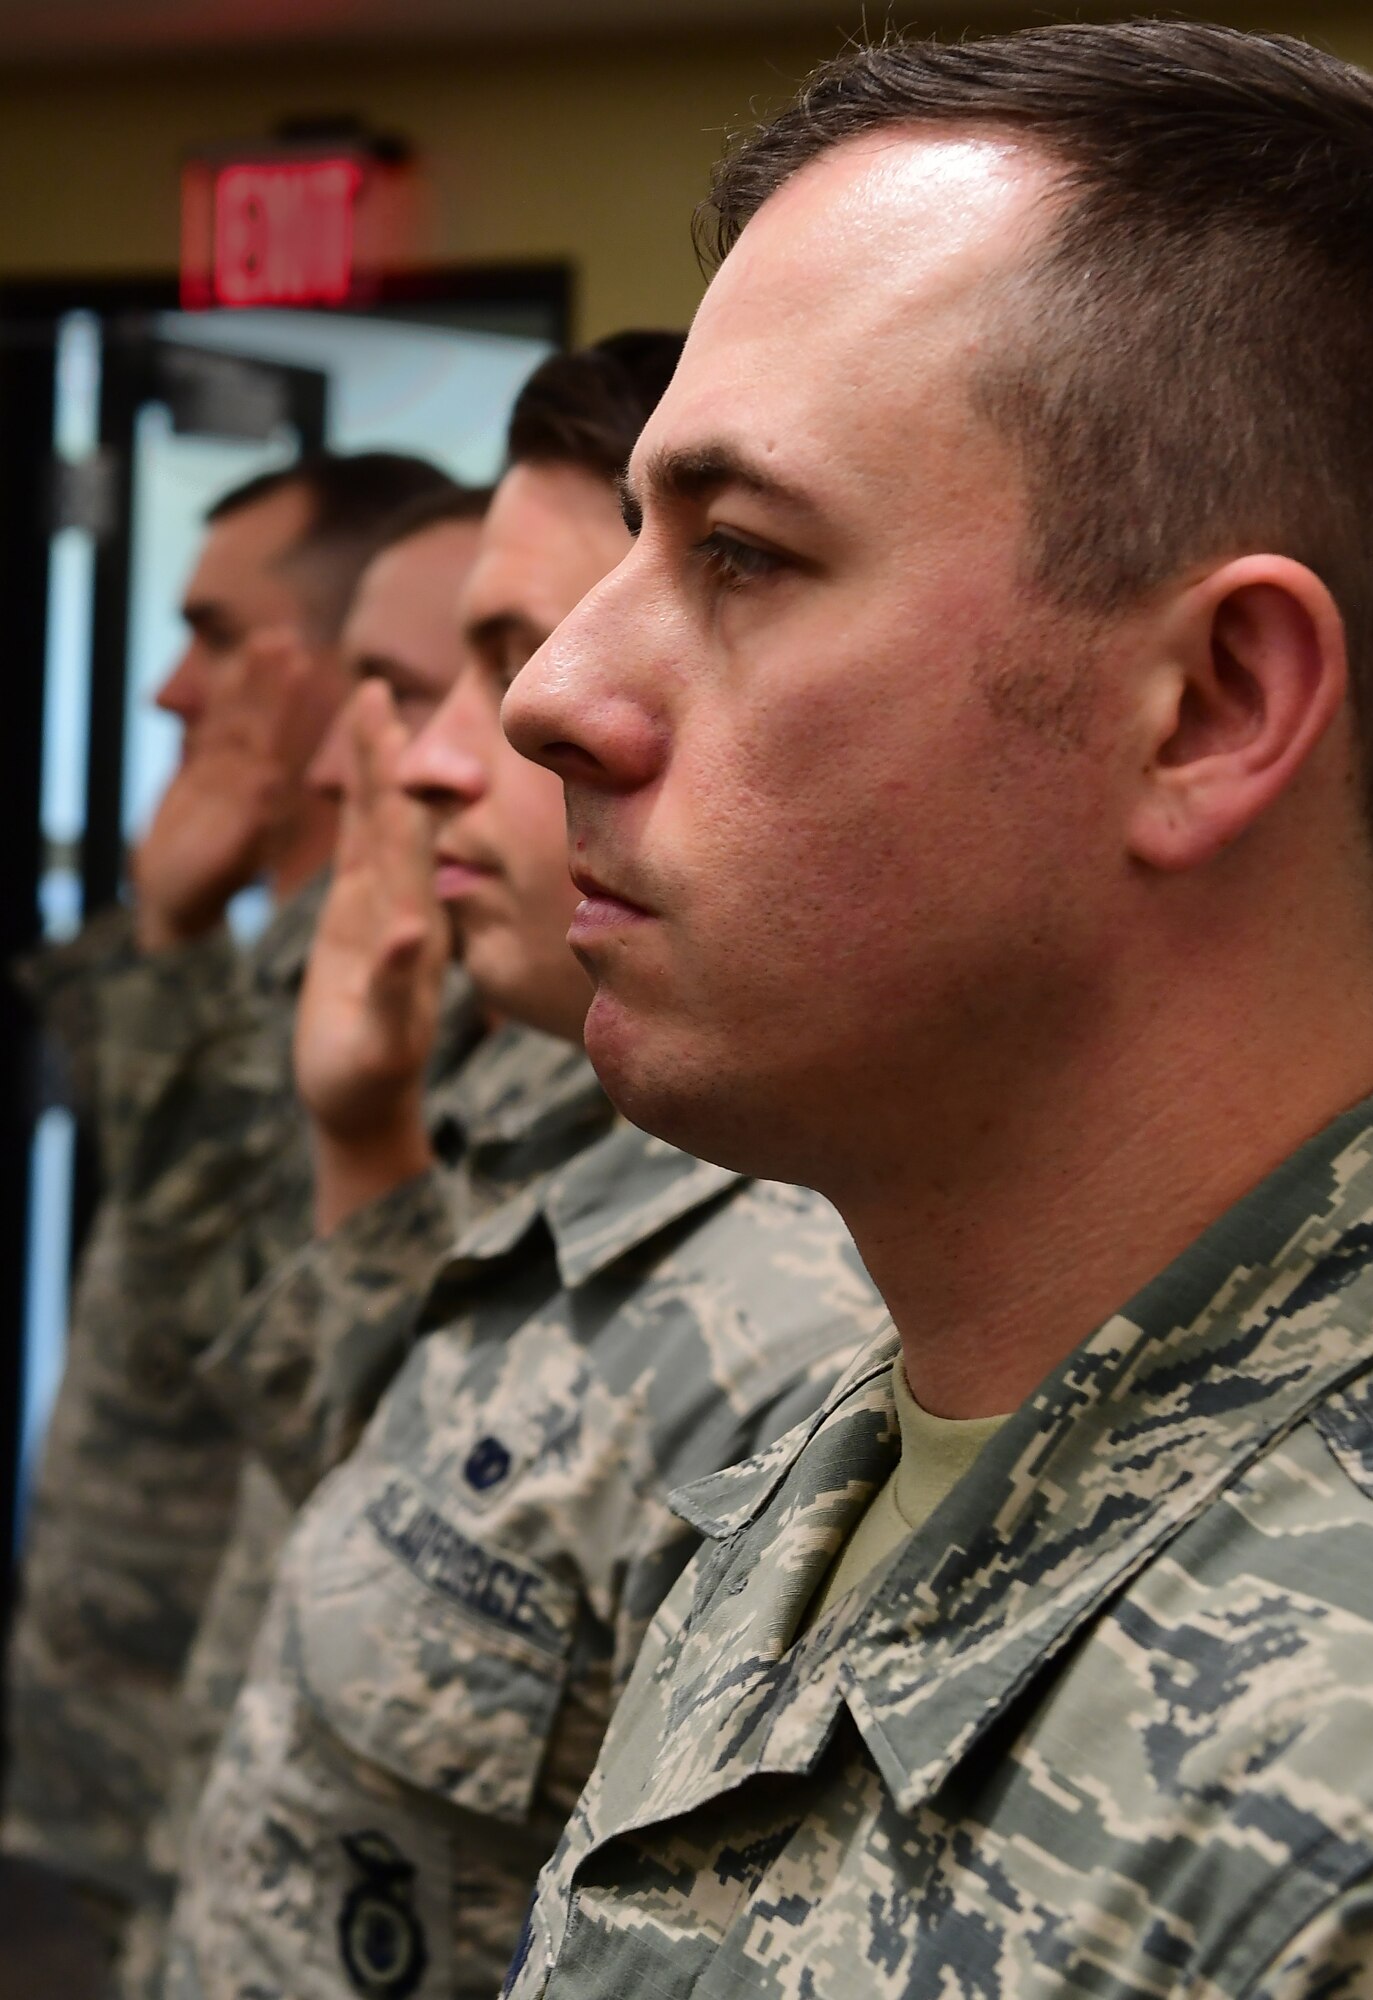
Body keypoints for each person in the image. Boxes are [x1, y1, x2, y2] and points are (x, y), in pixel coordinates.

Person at [500, 24, 1373, 1999]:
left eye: (741, 555)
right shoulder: (832, 1476)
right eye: (634, 544)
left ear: (1203, 709)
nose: (553, 696)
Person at [160, 334, 888, 2000]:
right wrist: (363, 1141)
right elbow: (363, 1529)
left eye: (506, 659)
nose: (430, 758)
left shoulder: (809, 1304)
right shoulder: (548, 1119)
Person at [3, 452, 452, 1957]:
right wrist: (172, 933)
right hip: (138, 1728)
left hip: (243, 1768)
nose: (173, 691)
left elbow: (246, 1326)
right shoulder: (283, 954)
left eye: (214, 634)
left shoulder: (422, 987)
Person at [108, 479, 509, 1998]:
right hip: (199, 1749)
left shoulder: (486, 1022)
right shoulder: (364, 984)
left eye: (222, 636)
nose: (175, 689)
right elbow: (190, 1311)